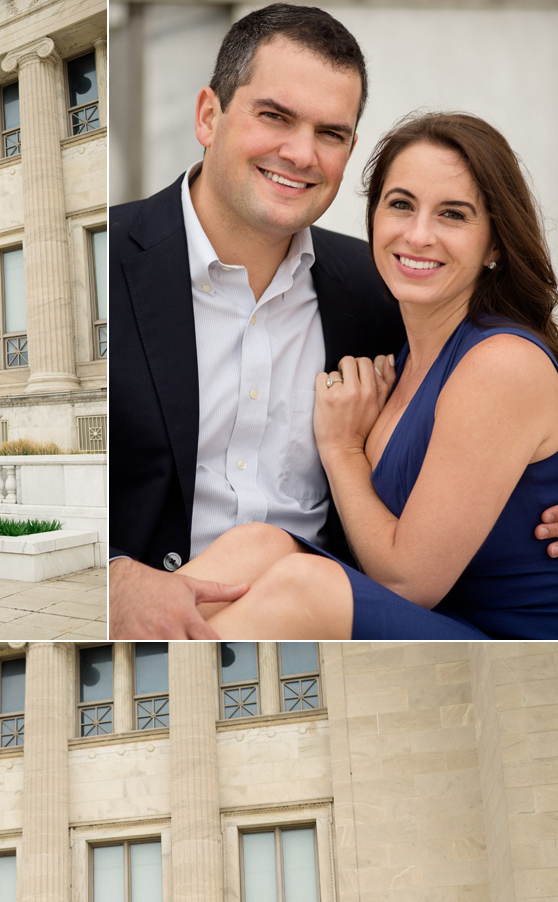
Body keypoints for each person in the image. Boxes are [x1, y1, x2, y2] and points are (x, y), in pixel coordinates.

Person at [108, 8, 558, 641]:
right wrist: (109, 581)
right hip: (191, 596)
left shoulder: (382, 291)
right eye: (275, 115)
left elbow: (523, 392)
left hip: (369, 618)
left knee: (295, 577)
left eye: (331, 132)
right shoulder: (94, 259)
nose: (300, 152)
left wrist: (342, 449)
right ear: (209, 115)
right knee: (262, 544)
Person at [180, 113, 558, 639]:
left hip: (510, 642)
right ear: (375, 217)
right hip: (432, 619)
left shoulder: (501, 363)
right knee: (259, 543)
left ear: (495, 243)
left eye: (453, 215)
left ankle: (186, 700)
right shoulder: (397, 354)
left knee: (302, 585)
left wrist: (342, 449)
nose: (418, 234)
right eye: (400, 204)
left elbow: (407, 583)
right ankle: (141, 622)